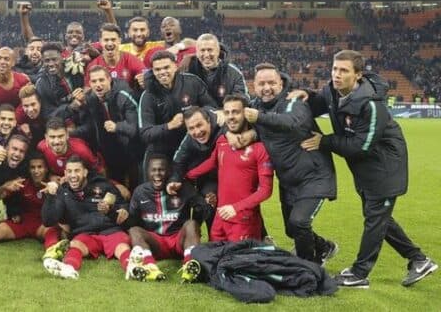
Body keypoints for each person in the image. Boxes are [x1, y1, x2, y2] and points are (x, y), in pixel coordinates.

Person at [296, 50, 437, 288]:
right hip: (367, 169)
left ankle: (360, 272)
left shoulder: (371, 105)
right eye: (334, 69)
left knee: (375, 219)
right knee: (379, 218)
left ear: (358, 75)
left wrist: (325, 140)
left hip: (385, 168)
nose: (336, 75)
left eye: (343, 71)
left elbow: (361, 146)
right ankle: (419, 259)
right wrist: (306, 95)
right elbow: (320, 103)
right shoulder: (332, 90)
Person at [244, 63, 338, 265]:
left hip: (314, 175)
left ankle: (308, 269)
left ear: (281, 83)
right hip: (288, 179)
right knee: (291, 229)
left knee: (299, 222)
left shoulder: (293, 101)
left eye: (271, 83)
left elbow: (293, 122)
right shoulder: (255, 105)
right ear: (254, 86)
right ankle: (323, 247)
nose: (266, 88)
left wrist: (259, 117)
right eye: (261, 84)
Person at [185, 95, 273, 242]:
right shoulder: (222, 140)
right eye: (227, 112)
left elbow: (266, 191)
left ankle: (265, 247)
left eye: (235, 112)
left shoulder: (260, 148)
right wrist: (186, 176)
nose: (230, 117)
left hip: (244, 219)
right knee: (213, 259)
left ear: (246, 113)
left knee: (235, 262)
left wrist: (236, 208)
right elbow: (211, 162)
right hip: (221, 215)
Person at [41, 156, 131, 280]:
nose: (73, 175)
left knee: (122, 246)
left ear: (85, 172)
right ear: (65, 173)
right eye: (69, 171)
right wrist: (51, 197)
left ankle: (132, 268)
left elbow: (122, 205)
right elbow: (48, 221)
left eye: (77, 171)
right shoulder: (63, 192)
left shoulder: (103, 185)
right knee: (75, 245)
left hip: (111, 231)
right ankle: (69, 269)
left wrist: (121, 211)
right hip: (85, 234)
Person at [126, 155, 204, 282]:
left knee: (191, 224)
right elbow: (133, 221)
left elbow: (201, 209)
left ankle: (190, 265)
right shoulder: (140, 192)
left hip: (178, 240)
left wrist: (202, 207)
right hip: (156, 242)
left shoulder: (183, 188)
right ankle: (150, 267)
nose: (157, 174)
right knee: (134, 230)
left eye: (161, 170)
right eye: (154, 170)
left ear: (168, 171)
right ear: (147, 172)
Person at [138, 50, 216, 162]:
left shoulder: (192, 82)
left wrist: (197, 117)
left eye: (166, 67)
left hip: (194, 144)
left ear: (175, 66)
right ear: (153, 71)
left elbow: (212, 108)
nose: (162, 72)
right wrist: (170, 125)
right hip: (162, 151)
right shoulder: (148, 95)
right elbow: (145, 133)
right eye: (158, 69)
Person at [74, 65, 140, 188]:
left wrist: (117, 127)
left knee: (135, 185)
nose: (98, 85)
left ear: (109, 79)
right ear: (89, 83)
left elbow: (136, 128)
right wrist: (81, 106)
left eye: (101, 80)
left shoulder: (123, 94)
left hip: (132, 150)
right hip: (109, 151)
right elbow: (89, 126)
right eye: (94, 81)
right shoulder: (90, 98)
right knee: (117, 188)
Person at [187, 33, 247, 106]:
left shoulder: (234, 75)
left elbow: (240, 104)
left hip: (225, 115)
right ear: (197, 53)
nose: (206, 55)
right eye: (202, 50)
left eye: (210, 50)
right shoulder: (188, 73)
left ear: (218, 51)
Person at [85, 23, 145, 92]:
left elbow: (146, 77)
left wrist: (143, 82)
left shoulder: (131, 60)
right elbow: (87, 91)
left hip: (126, 100)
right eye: (106, 40)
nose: (110, 44)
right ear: (101, 41)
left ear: (119, 41)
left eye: (113, 40)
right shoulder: (93, 65)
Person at [0, 47, 30, 114]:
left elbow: (29, 104)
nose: (2, 62)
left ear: (13, 63)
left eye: (6, 59)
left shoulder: (23, 80)